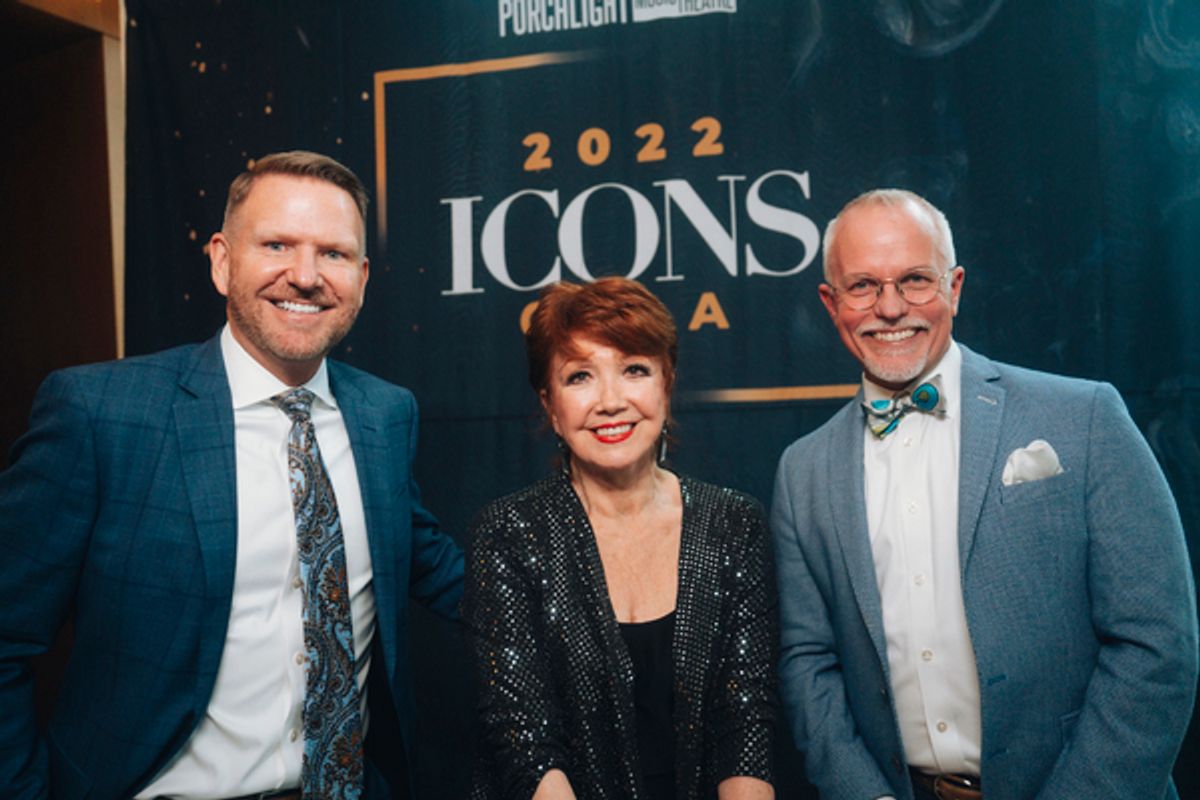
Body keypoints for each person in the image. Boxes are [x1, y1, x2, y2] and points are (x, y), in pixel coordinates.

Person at [0, 151, 464, 799]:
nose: (305, 276)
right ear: (222, 261)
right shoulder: (101, 414)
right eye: (277, 244)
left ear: (361, 278)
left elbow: (433, 567)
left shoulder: (385, 415)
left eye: (333, 254)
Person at [771, 188, 1198, 800]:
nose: (890, 308)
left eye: (915, 280)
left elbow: (1157, 646)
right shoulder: (803, 470)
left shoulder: (1085, 417)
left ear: (955, 288)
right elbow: (808, 667)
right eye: (863, 286)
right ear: (830, 301)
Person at [462, 277, 776, 800]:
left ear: (666, 384)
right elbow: (524, 737)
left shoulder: (734, 523)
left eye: (634, 370)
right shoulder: (508, 534)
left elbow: (744, 721)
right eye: (580, 376)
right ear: (549, 405)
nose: (610, 401)